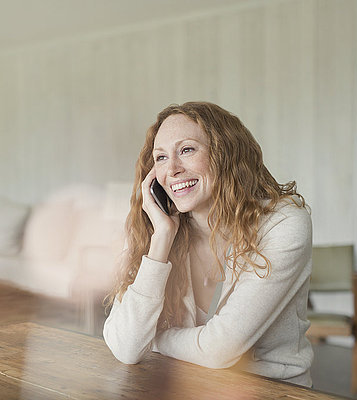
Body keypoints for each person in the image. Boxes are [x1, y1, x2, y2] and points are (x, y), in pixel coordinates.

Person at [103, 101, 313, 387]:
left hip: (272, 391)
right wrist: (162, 239)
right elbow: (127, 347)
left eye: (187, 150)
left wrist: (153, 338)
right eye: (161, 157)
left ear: (225, 153)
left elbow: (220, 351)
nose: (172, 169)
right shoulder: (157, 229)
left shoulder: (283, 223)